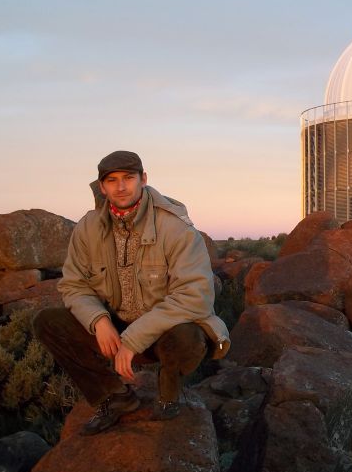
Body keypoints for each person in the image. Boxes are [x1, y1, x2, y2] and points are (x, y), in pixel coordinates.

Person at [33, 150, 230, 436]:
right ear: (102, 187)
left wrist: (133, 339)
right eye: (112, 180)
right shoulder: (88, 227)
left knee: (189, 336)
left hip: (163, 332)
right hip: (114, 328)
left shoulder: (175, 227)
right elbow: (74, 285)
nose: (121, 186)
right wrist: (99, 321)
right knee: (48, 323)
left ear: (143, 179)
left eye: (128, 178)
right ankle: (115, 397)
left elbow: (195, 296)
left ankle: (169, 392)